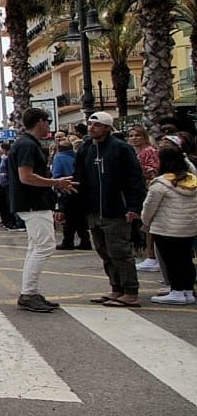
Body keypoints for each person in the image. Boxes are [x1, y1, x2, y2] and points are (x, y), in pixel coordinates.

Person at [72, 110, 146, 308]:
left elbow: (135, 179)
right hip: (93, 209)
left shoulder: (120, 148)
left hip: (116, 210)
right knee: (104, 252)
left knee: (120, 251)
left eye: (96, 125)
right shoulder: (86, 148)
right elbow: (78, 176)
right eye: (90, 124)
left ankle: (131, 291)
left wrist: (134, 206)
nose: (91, 128)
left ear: (106, 127)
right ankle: (116, 288)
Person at [11, 108, 74, 313]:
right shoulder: (28, 145)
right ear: (39, 122)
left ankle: (30, 291)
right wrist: (55, 182)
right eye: (47, 120)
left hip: (32, 202)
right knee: (44, 246)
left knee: (36, 247)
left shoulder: (25, 143)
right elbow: (26, 176)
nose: (49, 124)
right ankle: (28, 293)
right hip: (33, 202)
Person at [144, 144, 197, 306]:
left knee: (171, 261)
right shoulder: (192, 180)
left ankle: (176, 291)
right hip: (188, 227)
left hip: (166, 229)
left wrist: (146, 223)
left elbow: (149, 207)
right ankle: (187, 291)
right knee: (185, 259)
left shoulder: (160, 184)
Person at [127, 125, 161, 272]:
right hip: (138, 189)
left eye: (137, 135)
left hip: (148, 189)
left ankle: (153, 256)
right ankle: (150, 255)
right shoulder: (135, 152)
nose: (134, 138)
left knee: (149, 224)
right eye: (131, 136)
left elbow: (154, 170)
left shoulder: (149, 151)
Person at [53, 137, 89, 250]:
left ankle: (68, 242)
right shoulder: (77, 156)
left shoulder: (58, 158)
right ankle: (85, 241)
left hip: (67, 188)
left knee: (69, 218)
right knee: (80, 218)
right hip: (80, 189)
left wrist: (57, 188)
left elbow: (57, 174)